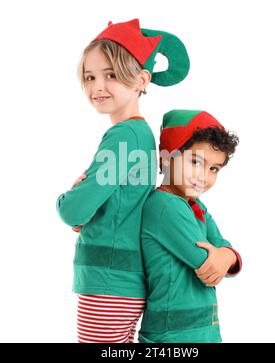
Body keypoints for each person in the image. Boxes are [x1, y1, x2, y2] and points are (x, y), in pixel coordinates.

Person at [56, 19, 190, 343]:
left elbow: (74, 210)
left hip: (107, 284)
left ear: (142, 79)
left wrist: (69, 201)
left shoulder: (123, 137)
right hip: (125, 282)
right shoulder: (140, 134)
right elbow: (118, 203)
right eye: (90, 77)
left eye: (111, 75)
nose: (97, 86)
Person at [138, 109, 242, 343]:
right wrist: (222, 256)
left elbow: (225, 251)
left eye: (214, 168)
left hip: (203, 329)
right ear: (166, 158)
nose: (204, 177)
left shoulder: (197, 207)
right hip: (173, 335)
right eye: (196, 162)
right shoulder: (163, 205)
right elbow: (206, 261)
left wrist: (226, 256)